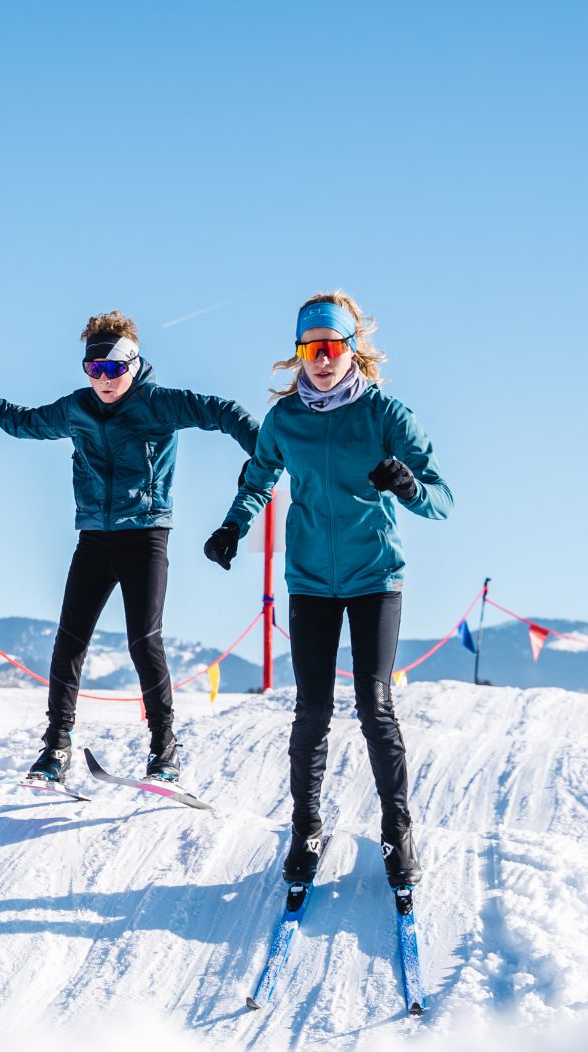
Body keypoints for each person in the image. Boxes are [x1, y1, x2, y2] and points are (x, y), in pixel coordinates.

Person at [0, 311, 258, 786]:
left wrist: (262, 452)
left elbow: (225, 412)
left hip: (146, 535)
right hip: (93, 537)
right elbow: (25, 423)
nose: (104, 381)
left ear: (134, 364)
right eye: (94, 370)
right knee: (69, 641)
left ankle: (163, 748)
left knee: (143, 641)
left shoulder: (160, 404)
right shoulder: (77, 408)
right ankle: (55, 748)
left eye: (113, 370)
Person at [203, 292, 452, 887]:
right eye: (310, 349)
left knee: (374, 706)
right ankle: (306, 827)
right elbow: (258, 479)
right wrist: (232, 526)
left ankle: (396, 831)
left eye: (332, 347)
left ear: (352, 350)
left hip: (374, 578)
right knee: (312, 711)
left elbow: (443, 499)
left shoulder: (386, 416)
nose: (321, 359)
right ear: (298, 355)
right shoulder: (285, 421)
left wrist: (407, 485)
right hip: (311, 580)